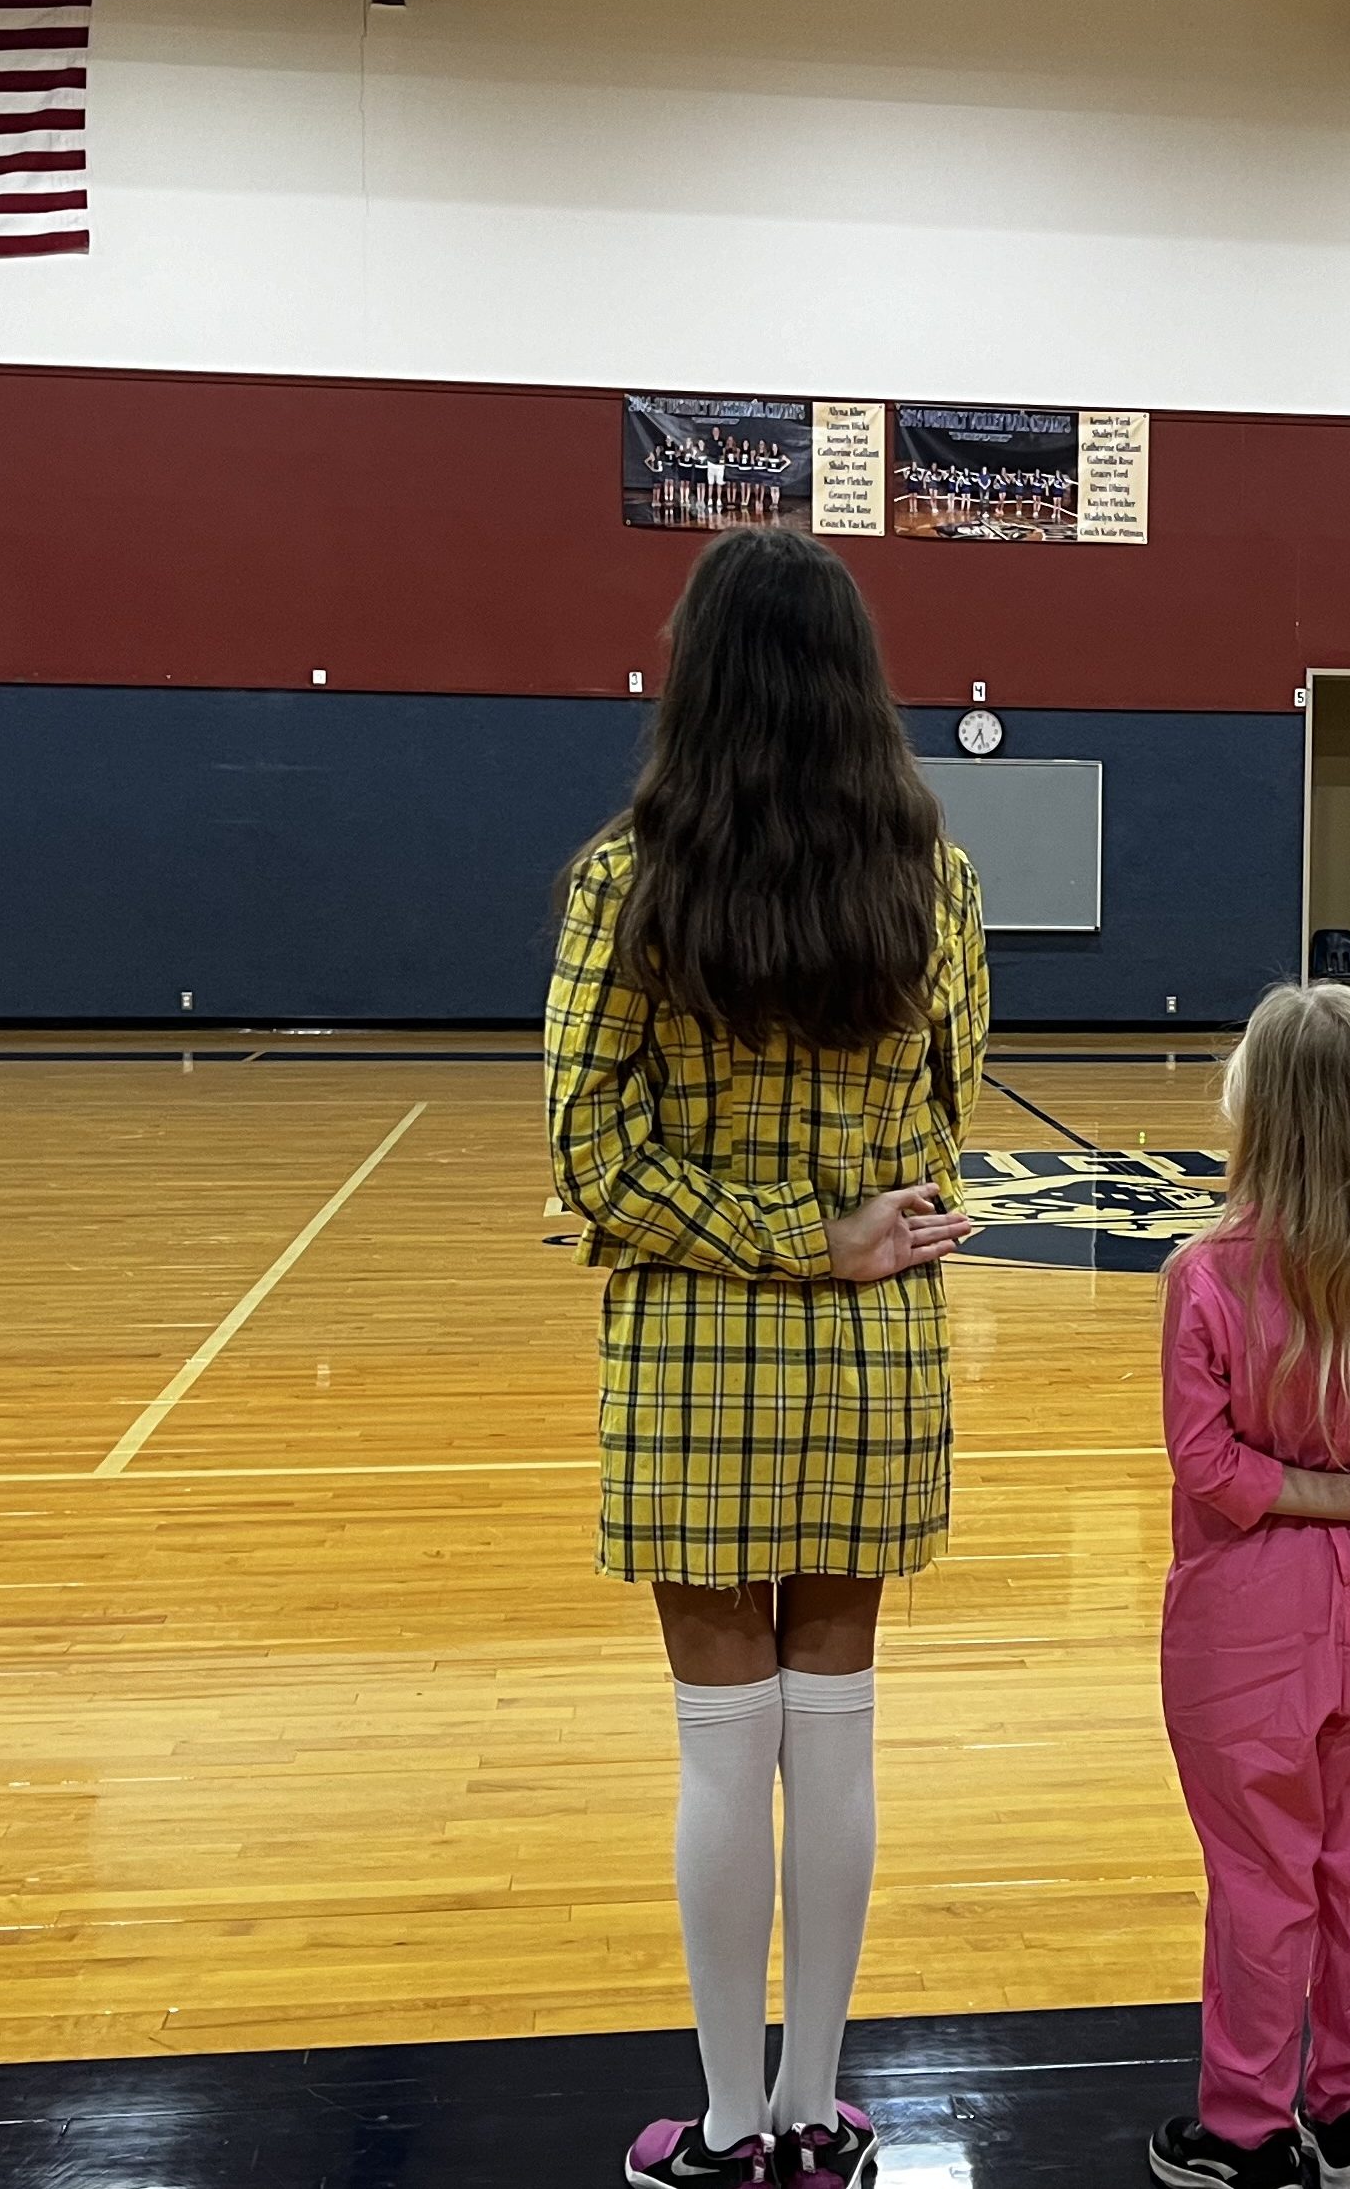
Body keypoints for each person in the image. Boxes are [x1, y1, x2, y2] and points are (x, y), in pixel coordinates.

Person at [549, 527, 993, 2189]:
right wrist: (841, 1229)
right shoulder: (933, 876)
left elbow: (587, 1154)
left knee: (722, 1738)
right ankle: (820, 2101)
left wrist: (763, 1228)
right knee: (844, 1725)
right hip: (875, 1353)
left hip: (693, 1357)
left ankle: (732, 2123)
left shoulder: (629, 875)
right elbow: (945, 1110)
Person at [1148, 983, 1350, 2189]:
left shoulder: (1209, 1272)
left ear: (1255, 1111)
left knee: (1261, 1877)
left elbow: (1208, 1464)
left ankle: (1243, 2127)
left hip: (1248, 1626)